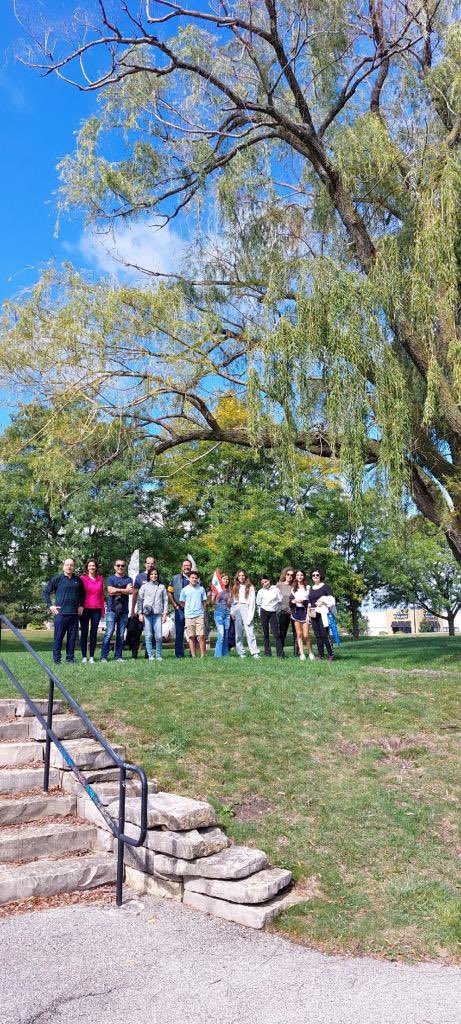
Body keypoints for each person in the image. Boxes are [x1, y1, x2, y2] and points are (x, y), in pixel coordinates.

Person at [43, 558, 85, 665]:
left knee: (72, 639)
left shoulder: (78, 580)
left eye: (71, 565)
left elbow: (82, 595)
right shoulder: (57, 579)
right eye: (67, 565)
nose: (69, 567)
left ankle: (70, 659)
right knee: (58, 638)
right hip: (60, 615)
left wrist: (81, 606)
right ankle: (57, 660)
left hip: (74, 614)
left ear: (74, 567)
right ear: (63, 566)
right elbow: (45, 592)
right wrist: (50, 606)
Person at [100, 559, 133, 662]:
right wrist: (124, 590)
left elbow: (130, 591)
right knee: (109, 633)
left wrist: (117, 590)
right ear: (114, 567)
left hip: (124, 610)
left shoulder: (129, 579)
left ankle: (118, 656)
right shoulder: (111, 578)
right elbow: (110, 591)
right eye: (118, 565)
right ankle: (103, 656)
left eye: (122, 565)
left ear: (125, 567)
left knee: (121, 634)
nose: (120, 567)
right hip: (111, 610)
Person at [137, 567, 169, 661]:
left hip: (158, 614)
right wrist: (140, 613)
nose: (154, 576)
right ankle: (150, 655)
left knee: (158, 636)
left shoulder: (162, 587)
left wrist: (165, 613)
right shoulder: (144, 586)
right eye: (151, 574)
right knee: (148, 636)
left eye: (155, 574)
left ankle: (159, 655)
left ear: (158, 575)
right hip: (147, 614)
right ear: (149, 576)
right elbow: (140, 600)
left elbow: (165, 601)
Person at [129, 555, 156, 659]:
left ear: (154, 564)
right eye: (148, 563)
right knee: (137, 633)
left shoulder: (158, 576)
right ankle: (134, 655)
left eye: (152, 563)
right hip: (141, 610)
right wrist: (133, 610)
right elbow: (135, 593)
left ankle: (148, 655)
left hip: (153, 611)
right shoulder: (139, 577)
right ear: (145, 564)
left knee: (151, 634)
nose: (150, 565)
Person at [80, 558, 105, 664]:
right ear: (87, 567)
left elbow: (101, 595)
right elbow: (79, 594)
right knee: (84, 632)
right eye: (90, 565)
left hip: (96, 609)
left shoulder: (100, 579)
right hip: (85, 608)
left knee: (94, 633)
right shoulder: (82, 578)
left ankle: (91, 657)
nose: (91, 567)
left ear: (96, 567)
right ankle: (84, 657)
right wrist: (80, 606)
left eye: (93, 565)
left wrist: (103, 610)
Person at [231, 570, 260, 659]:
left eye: (243, 575)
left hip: (246, 608)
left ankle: (254, 652)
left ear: (245, 576)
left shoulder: (250, 587)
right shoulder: (235, 587)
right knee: (238, 632)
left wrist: (250, 616)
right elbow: (232, 601)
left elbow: (252, 602)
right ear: (237, 577)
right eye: (239, 575)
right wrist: (232, 611)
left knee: (250, 631)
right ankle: (241, 652)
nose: (241, 577)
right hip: (236, 608)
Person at [168, 559, 193, 658]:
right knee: (179, 632)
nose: (186, 567)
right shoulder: (175, 578)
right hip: (179, 609)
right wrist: (175, 605)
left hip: (192, 609)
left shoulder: (195, 578)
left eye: (188, 565)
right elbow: (169, 592)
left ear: (191, 567)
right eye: (185, 565)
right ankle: (179, 654)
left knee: (192, 632)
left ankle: (192, 653)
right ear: (182, 567)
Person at [179, 570, 207, 658]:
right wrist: (189, 608)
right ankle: (193, 655)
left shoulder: (201, 589)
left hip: (199, 615)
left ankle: (202, 655)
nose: (194, 579)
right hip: (189, 616)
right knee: (191, 636)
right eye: (192, 578)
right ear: (189, 578)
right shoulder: (184, 590)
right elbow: (182, 602)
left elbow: (204, 602)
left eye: (195, 578)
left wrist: (204, 612)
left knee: (201, 635)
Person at [308, 570, 335, 661]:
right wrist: (308, 615)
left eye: (317, 575)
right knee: (317, 635)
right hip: (313, 614)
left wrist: (323, 602)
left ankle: (330, 654)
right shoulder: (311, 588)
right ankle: (320, 655)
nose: (315, 576)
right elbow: (309, 602)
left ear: (320, 576)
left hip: (323, 614)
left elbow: (332, 600)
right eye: (313, 575)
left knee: (324, 635)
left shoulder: (326, 587)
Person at [289, 570, 315, 662]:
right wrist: (293, 601)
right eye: (298, 575)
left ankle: (311, 653)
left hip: (305, 612)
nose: (299, 576)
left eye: (301, 575)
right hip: (296, 612)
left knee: (306, 635)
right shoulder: (293, 588)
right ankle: (302, 654)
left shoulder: (308, 588)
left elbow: (311, 601)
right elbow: (290, 601)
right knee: (299, 634)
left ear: (303, 577)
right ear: (296, 577)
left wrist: (303, 601)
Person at [256, 575, 283, 657]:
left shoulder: (276, 590)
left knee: (276, 633)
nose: (265, 584)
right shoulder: (260, 592)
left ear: (269, 581)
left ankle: (280, 654)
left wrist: (276, 611)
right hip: (264, 612)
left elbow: (280, 601)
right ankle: (268, 653)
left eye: (266, 582)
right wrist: (260, 614)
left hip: (273, 612)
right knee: (265, 633)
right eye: (262, 583)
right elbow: (258, 604)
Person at [277, 567, 297, 655]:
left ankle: (297, 653)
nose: (289, 576)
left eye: (292, 575)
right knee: (282, 634)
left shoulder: (295, 586)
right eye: (288, 574)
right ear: (285, 575)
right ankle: (281, 653)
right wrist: (284, 608)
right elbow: (277, 599)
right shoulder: (279, 585)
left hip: (295, 612)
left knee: (297, 634)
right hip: (283, 612)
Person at [212, 572, 232, 657]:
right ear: (221, 579)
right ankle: (217, 655)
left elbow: (230, 604)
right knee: (221, 634)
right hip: (218, 613)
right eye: (224, 579)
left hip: (227, 613)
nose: (226, 580)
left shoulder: (229, 591)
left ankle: (225, 654)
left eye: (227, 579)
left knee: (226, 635)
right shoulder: (217, 589)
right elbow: (212, 602)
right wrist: (214, 595)